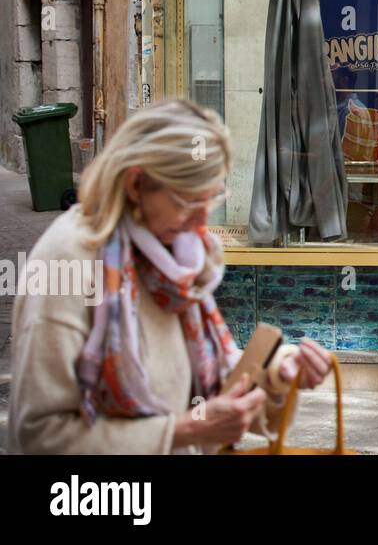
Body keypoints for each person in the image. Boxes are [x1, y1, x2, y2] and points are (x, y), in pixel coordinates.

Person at [7, 99, 333, 454]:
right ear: (135, 184)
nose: (200, 223)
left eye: (209, 202)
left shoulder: (176, 258)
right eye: (187, 203)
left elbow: (216, 392)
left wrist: (278, 376)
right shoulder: (68, 259)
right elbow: (40, 435)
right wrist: (185, 430)